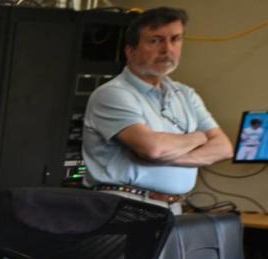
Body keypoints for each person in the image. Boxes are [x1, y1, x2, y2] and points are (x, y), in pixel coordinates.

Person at [82, 7, 233, 214]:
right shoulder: (113, 94)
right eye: (155, 40)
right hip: (125, 205)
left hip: (174, 208)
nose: (167, 49)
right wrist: (198, 138)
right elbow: (153, 149)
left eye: (175, 39)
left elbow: (224, 148)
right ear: (130, 51)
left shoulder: (186, 95)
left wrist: (169, 157)